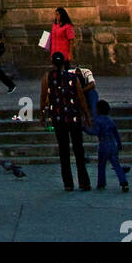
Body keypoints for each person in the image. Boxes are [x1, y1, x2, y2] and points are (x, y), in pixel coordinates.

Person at [40, 51, 91, 191]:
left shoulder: (47, 77)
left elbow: (44, 96)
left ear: (52, 63)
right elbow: (81, 97)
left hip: (58, 117)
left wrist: (42, 115)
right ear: (64, 63)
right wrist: (87, 115)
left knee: (63, 150)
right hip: (73, 116)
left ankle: (68, 183)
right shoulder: (73, 77)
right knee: (78, 149)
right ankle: (84, 182)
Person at [93, 99, 128, 192]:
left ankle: (101, 183)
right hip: (113, 144)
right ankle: (123, 182)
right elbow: (116, 134)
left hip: (103, 144)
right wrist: (119, 144)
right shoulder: (110, 121)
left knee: (101, 165)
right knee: (116, 165)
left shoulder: (98, 121)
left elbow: (95, 132)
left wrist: (84, 128)